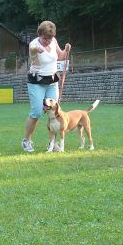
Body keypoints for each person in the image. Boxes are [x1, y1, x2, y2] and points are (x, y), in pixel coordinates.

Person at [21, 20, 71, 152]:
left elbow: (61, 56)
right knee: (37, 112)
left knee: (54, 112)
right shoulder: (34, 44)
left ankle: (53, 144)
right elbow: (32, 52)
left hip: (52, 82)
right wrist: (36, 49)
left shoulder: (53, 41)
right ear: (39, 35)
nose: (48, 41)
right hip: (37, 82)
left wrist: (66, 50)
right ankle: (27, 141)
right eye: (45, 38)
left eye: (50, 38)